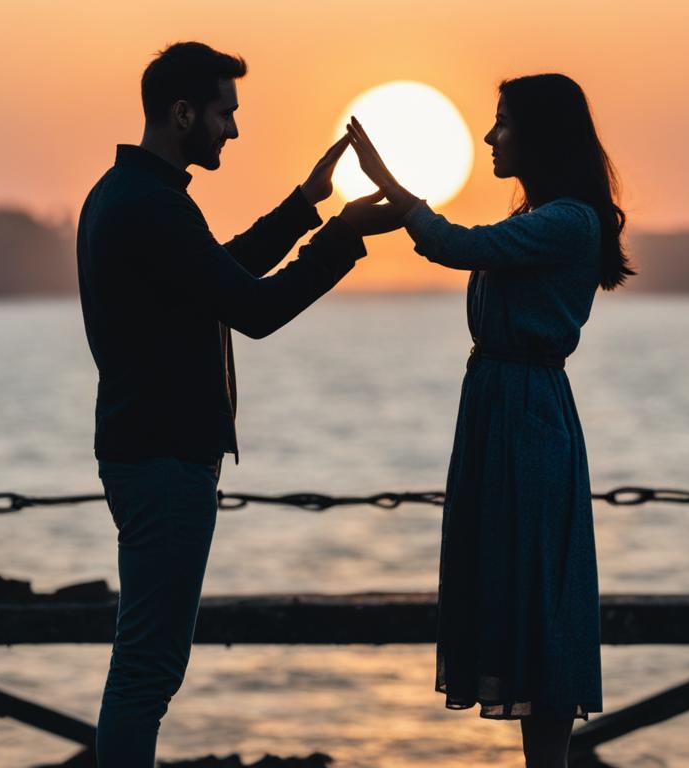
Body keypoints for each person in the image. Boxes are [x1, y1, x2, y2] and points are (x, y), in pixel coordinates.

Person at [76, 42, 402, 768]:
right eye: (225, 113)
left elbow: (220, 273)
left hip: (147, 455)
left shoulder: (126, 194)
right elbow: (253, 308)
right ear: (183, 111)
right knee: (147, 671)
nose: (233, 130)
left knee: (144, 665)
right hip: (164, 463)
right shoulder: (152, 207)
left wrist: (307, 206)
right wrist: (343, 236)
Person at [345, 73, 633, 768]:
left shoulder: (568, 221)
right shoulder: (541, 218)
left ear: (538, 134)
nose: (489, 136)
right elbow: (469, 245)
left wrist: (390, 182)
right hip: (501, 407)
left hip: (526, 416)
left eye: (501, 123)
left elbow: (459, 247)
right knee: (512, 586)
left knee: (538, 590)